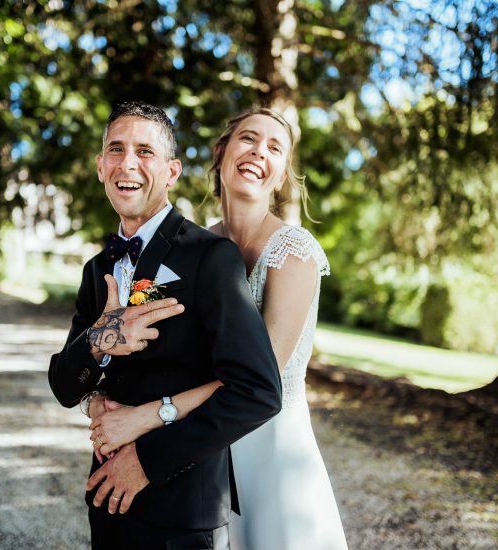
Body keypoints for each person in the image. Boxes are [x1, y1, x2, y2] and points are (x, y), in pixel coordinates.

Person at [89, 107, 349, 549]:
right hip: (199, 446)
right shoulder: (193, 247)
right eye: (248, 138)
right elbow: (152, 345)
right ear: (221, 152)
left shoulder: (294, 251)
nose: (258, 153)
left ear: (283, 174)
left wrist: (147, 417)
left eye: (275, 147)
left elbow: (255, 381)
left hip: (269, 446)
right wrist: (103, 397)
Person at [48, 101, 282, 549]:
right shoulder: (97, 268)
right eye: (115, 149)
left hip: (181, 510)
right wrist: (100, 341)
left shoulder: (210, 257)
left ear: (172, 172)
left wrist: (148, 462)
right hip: (107, 499)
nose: (127, 163)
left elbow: (258, 391)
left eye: (145, 151)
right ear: (101, 167)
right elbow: (63, 386)